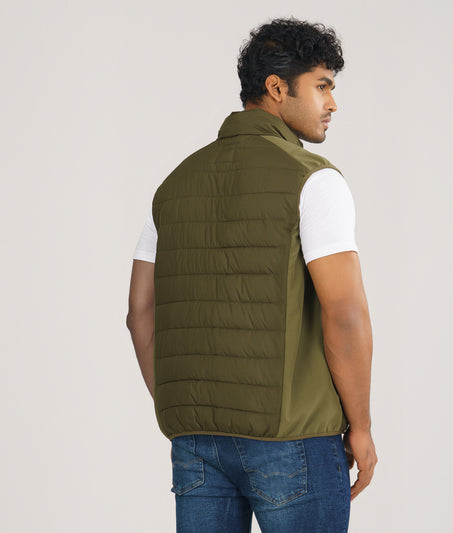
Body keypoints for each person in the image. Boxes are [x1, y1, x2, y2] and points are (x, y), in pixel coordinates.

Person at [126, 16, 377, 533]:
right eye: (322, 86)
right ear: (277, 88)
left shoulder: (174, 184)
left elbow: (139, 313)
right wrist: (362, 426)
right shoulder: (314, 180)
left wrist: (185, 410)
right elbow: (346, 315)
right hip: (294, 439)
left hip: (196, 440)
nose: (333, 103)